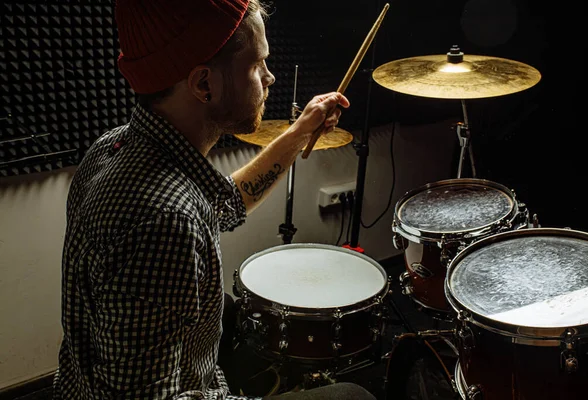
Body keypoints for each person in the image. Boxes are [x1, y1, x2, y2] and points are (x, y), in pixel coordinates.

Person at [53, 0, 376, 399]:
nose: (270, 77)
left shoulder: (114, 147)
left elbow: (223, 202)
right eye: (258, 65)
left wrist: (300, 130)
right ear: (204, 84)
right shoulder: (167, 220)